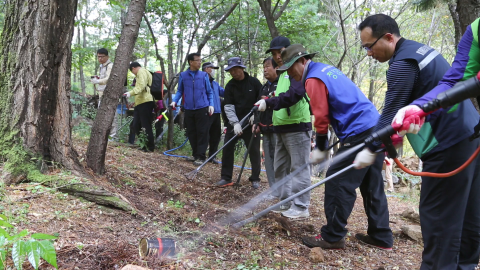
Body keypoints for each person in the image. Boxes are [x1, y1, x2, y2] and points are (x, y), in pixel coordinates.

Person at [355, 14, 480, 269]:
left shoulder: (403, 63)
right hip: (470, 136)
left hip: (447, 145)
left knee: (439, 219)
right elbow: (450, 81)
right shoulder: (422, 51)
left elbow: (390, 113)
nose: (368, 53)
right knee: (469, 215)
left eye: (369, 46)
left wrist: (370, 149)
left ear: (389, 37)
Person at [256, 44, 393, 249]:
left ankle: (333, 235)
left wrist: (320, 147)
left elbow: (321, 118)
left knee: (337, 182)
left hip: (359, 132)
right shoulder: (324, 70)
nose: (291, 74)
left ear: (303, 61)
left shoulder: (313, 78)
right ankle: (381, 237)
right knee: (372, 185)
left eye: (292, 68)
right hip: (376, 127)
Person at [256, 36, 313, 219]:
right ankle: (285, 201)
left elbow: (294, 95)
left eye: (279, 52)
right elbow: (280, 94)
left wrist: (270, 102)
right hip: (280, 126)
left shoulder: (297, 70)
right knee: (280, 167)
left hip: (297, 126)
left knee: (299, 168)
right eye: (274, 54)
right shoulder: (282, 74)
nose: (277, 57)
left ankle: (301, 206)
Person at [215, 57, 262, 189]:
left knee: (254, 151)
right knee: (227, 148)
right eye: (231, 70)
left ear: (242, 68)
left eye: (236, 69)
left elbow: (261, 101)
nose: (234, 72)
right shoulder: (230, 86)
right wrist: (235, 123)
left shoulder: (254, 83)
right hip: (234, 122)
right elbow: (228, 106)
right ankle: (226, 177)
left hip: (251, 122)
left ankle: (255, 178)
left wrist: (256, 116)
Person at [171, 53, 214, 166]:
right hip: (189, 108)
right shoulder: (183, 75)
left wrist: (211, 105)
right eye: (197, 60)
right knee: (191, 132)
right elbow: (180, 90)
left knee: (202, 132)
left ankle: (201, 156)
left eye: (200, 60)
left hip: (202, 108)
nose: (200, 62)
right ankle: (195, 154)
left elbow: (209, 92)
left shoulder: (204, 75)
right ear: (191, 62)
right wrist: (175, 100)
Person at [257, 57, 279, 199]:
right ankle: (274, 190)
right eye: (263, 67)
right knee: (269, 161)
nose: (265, 69)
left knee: (280, 160)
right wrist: (256, 123)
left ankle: (284, 190)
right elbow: (258, 108)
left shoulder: (281, 84)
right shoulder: (264, 87)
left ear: (276, 68)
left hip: (278, 128)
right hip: (265, 129)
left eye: (268, 66)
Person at [124, 62, 155, 152]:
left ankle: (150, 147)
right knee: (135, 125)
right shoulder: (141, 73)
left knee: (146, 125)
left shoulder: (141, 71)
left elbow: (141, 86)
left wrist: (129, 93)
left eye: (132, 71)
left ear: (133, 68)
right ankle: (143, 144)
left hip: (146, 102)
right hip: (140, 103)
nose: (134, 73)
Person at [91, 48, 118, 137]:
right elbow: (103, 78)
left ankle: (113, 135)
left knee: (111, 115)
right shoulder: (101, 66)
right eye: (98, 57)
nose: (100, 59)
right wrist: (97, 79)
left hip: (109, 93)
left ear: (107, 56)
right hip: (101, 93)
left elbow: (109, 79)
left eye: (102, 57)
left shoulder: (110, 65)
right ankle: (102, 134)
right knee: (101, 114)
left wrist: (98, 81)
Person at [202, 62, 225, 164]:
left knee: (216, 135)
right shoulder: (201, 81)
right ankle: (201, 155)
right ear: (206, 69)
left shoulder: (215, 84)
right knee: (205, 134)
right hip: (206, 112)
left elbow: (223, 92)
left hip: (217, 112)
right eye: (212, 68)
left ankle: (212, 156)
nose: (214, 70)